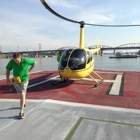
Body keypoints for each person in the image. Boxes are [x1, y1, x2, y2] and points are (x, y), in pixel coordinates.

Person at [6, 53, 37, 119]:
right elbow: (8, 70)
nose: (16, 62)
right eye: (15, 61)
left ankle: (21, 112)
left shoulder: (25, 60)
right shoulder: (11, 61)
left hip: (24, 79)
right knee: (20, 94)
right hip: (16, 80)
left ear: (20, 58)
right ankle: (24, 102)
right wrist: (7, 78)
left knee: (22, 93)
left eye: (17, 61)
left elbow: (35, 62)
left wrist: (29, 70)